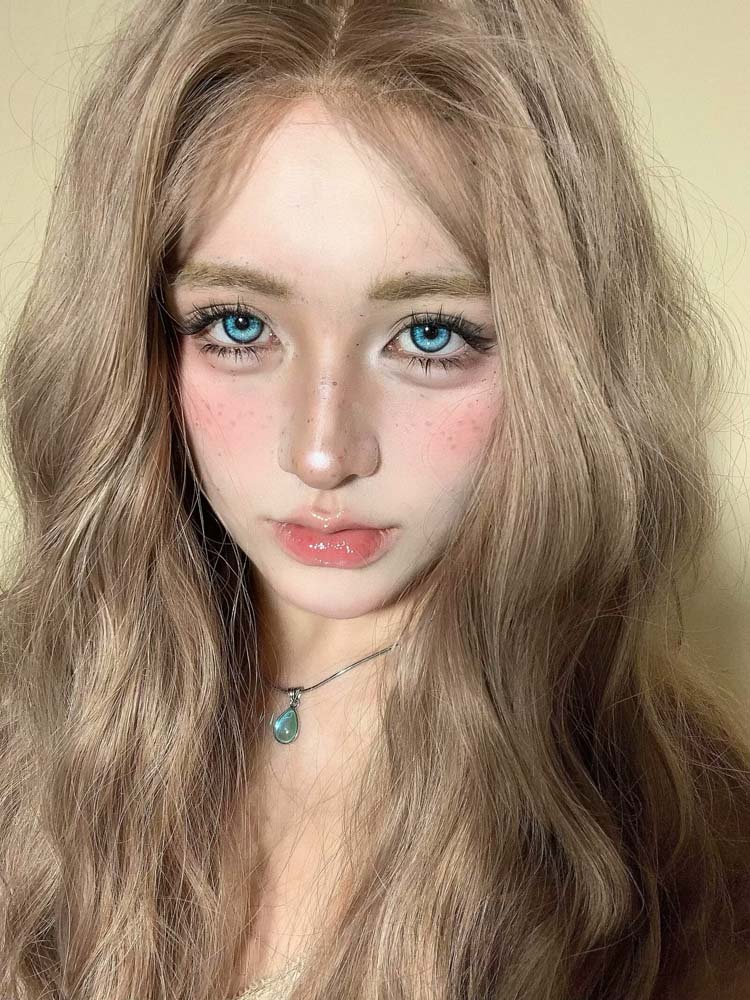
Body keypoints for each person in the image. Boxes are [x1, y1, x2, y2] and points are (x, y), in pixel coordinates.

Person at [0, 1, 748, 999]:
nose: (322, 453)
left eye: (430, 335)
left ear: (562, 364)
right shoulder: (28, 740)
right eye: (237, 325)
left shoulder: (691, 859)